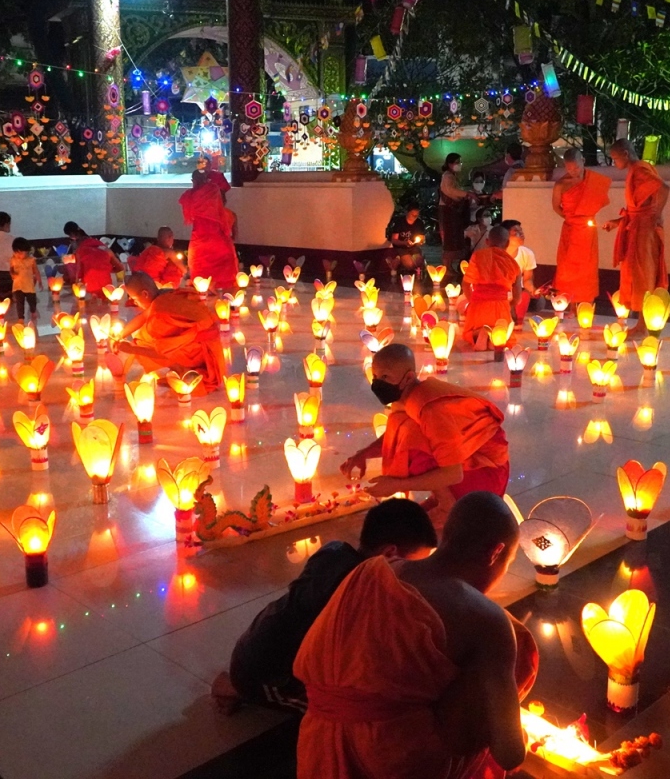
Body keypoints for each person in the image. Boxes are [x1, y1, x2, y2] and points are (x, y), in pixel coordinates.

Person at [294, 492, 538, 779]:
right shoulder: (487, 619)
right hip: (393, 761)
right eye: (506, 564)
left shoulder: (372, 570)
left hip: (316, 745)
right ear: (495, 552)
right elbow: (509, 754)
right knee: (519, 645)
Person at [212, 498, 439, 714]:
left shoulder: (335, 549)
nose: (412, 574)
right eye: (413, 565)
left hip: (260, 643)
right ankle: (235, 688)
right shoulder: (356, 592)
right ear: (390, 554)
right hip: (268, 674)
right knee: (336, 716)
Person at [342, 343, 512, 507]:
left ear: (408, 378)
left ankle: (447, 506)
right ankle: (444, 500)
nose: (378, 383)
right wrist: (364, 453)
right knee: (406, 432)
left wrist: (397, 484)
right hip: (468, 465)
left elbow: (453, 474)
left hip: (487, 476)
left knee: (413, 453)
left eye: (385, 377)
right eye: (375, 377)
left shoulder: (431, 410)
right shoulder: (408, 397)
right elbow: (395, 434)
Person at [602, 139, 669, 334]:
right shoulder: (636, 170)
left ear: (625, 153)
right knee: (636, 272)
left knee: (643, 274)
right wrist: (617, 222)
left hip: (645, 230)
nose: (615, 163)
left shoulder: (639, 169)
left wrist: (657, 214)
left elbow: (663, 188)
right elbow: (636, 208)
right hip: (638, 226)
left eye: (615, 158)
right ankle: (642, 323)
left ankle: (643, 326)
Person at [116, 272, 227, 389]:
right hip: (211, 347)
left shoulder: (159, 313)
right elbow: (143, 316)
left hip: (200, 352)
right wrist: (120, 334)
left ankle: (183, 372)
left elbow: (161, 352)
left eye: (135, 299)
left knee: (142, 341)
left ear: (145, 294)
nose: (134, 303)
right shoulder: (168, 294)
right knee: (144, 336)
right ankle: (183, 369)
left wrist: (132, 349)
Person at [551, 148, 611, 305]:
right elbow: (556, 206)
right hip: (571, 229)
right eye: (569, 168)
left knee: (587, 268)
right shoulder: (561, 184)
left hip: (587, 231)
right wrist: (569, 217)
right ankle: (569, 304)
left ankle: (586, 304)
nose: (573, 171)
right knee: (567, 269)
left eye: (576, 167)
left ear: (583, 161)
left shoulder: (593, 181)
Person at [180, 155, 238, 289]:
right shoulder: (212, 189)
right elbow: (218, 209)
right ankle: (224, 287)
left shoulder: (189, 195)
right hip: (216, 235)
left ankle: (203, 290)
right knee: (224, 262)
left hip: (200, 238)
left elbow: (188, 215)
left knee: (199, 267)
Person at [460, 226, 522, 349]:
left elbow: (466, 284)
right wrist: (510, 305)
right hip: (500, 306)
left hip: (479, 304)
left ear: (487, 241)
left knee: (467, 333)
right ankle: (494, 338)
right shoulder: (513, 263)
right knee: (506, 336)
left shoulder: (478, 256)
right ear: (508, 243)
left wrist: (473, 301)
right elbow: (517, 296)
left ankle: (479, 333)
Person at [67, 222, 124, 299]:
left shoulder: (80, 251)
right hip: (107, 287)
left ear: (73, 237)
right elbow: (120, 268)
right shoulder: (106, 249)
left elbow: (79, 275)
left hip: (90, 288)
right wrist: (105, 269)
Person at [437, 153, 475, 271]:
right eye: (457, 162)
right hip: (449, 212)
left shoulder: (452, 176)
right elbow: (451, 191)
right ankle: (447, 268)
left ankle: (450, 267)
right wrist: (466, 194)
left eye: (460, 162)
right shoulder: (447, 176)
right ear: (450, 164)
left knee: (455, 239)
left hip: (452, 212)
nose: (459, 165)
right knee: (450, 239)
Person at [9, 237, 42, 325]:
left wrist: (40, 281)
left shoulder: (31, 260)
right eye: (16, 253)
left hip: (28, 285)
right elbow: (11, 269)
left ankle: (33, 310)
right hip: (18, 285)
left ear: (27, 251)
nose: (18, 255)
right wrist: (13, 274)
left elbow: (36, 271)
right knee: (19, 302)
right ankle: (21, 317)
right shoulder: (13, 259)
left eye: (20, 253)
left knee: (32, 300)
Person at [387, 203, 426, 272]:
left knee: (420, 264)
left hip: (414, 247)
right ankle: (399, 259)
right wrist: (404, 243)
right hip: (401, 247)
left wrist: (421, 241)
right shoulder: (399, 222)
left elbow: (422, 238)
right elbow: (394, 240)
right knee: (410, 265)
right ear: (407, 213)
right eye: (412, 214)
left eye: (417, 215)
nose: (415, 216)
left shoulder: (419, 223)